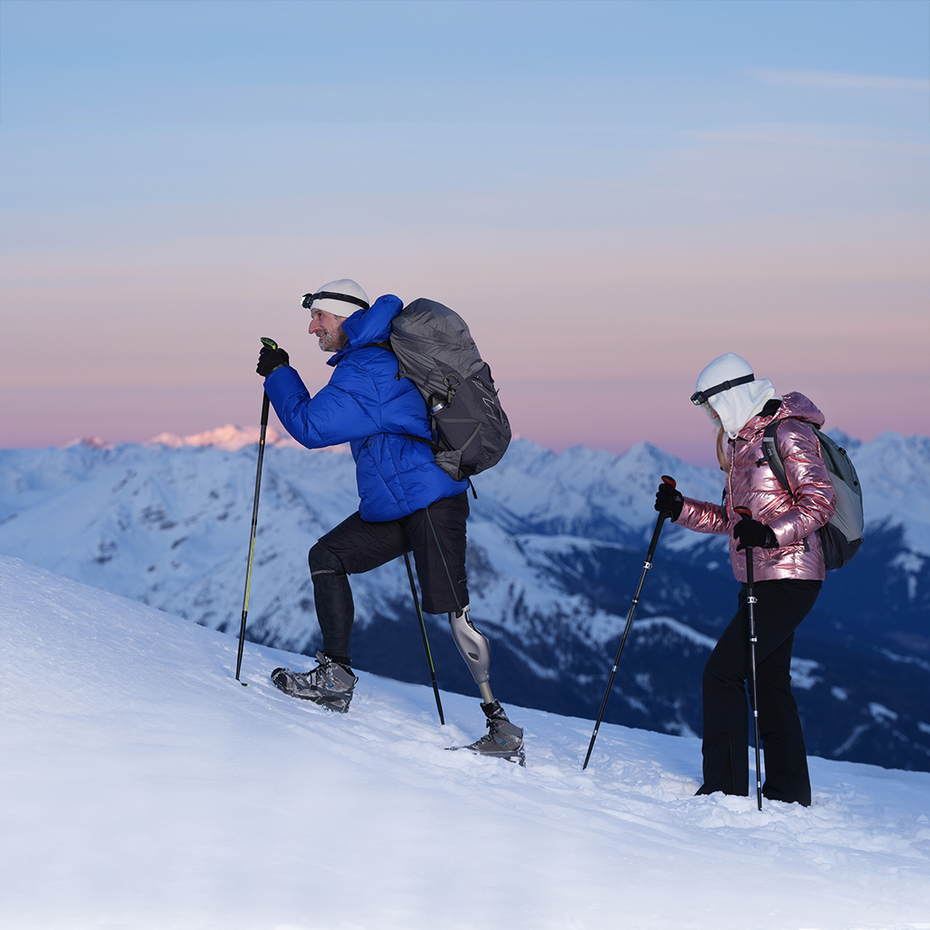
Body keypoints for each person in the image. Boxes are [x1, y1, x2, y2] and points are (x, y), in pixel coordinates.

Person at [255, 278, 524, 763]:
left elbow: (313, 427)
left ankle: (501, 727)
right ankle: (335, 678)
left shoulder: (369, 367)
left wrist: (279, 375)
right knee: (328, 557)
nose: (312, 327)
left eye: (320, 317)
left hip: (429, 502)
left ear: (343, 317)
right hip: (399, 503)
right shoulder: (374, 358)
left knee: (454, 611)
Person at [654, 353, 835, 806]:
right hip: (757, 578)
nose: (712, 417)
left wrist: (771, 532)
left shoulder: (786, 433)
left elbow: (819, 502)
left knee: (722, 673)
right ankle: (789, 793)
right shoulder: (741, 445)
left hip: (790, 577)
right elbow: (733, 521)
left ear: (732, 396)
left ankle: (724, 788)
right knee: (768, 682)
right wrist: (681, 509)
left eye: (713, 406)